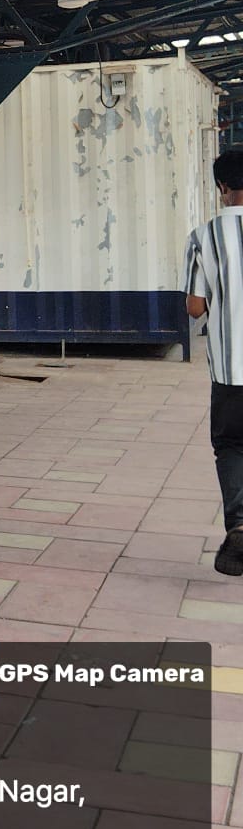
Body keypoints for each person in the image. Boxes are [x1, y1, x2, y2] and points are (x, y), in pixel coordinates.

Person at [184, 149, 243, 575]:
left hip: (230, 368)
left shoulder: (204, 236)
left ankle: (239, 523)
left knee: (231, 446)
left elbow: (195, 307)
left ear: (222, 187)